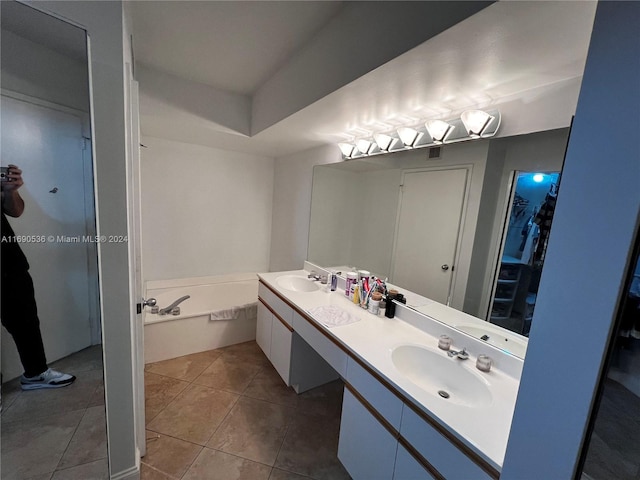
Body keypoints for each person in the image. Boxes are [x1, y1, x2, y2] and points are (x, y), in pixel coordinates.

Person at [1, 164, 76, 390]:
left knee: (26, 322)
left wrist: (10, 191)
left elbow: (15, 210)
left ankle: (35, 373)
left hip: (9, 262)